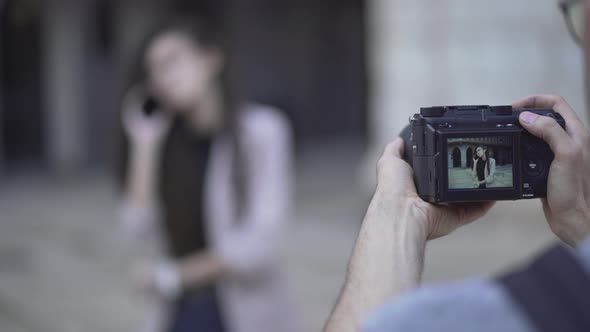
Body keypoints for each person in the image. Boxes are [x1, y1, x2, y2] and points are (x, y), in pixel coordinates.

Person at [325, 94, 590, 332]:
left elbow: (373, 325)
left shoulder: (467, 318)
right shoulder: (554, 301)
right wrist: (578, 218)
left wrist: (399, 212)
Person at [116, 17, 299, 332]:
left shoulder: (262, 131)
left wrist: (173, 275)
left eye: (172, 62)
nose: (162, 78)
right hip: (180, 311)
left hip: (247, 310)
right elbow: (137, 227)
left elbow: (260, 243)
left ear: (210, 59)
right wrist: (145, 145)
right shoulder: (165, 143)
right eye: (154, 69)